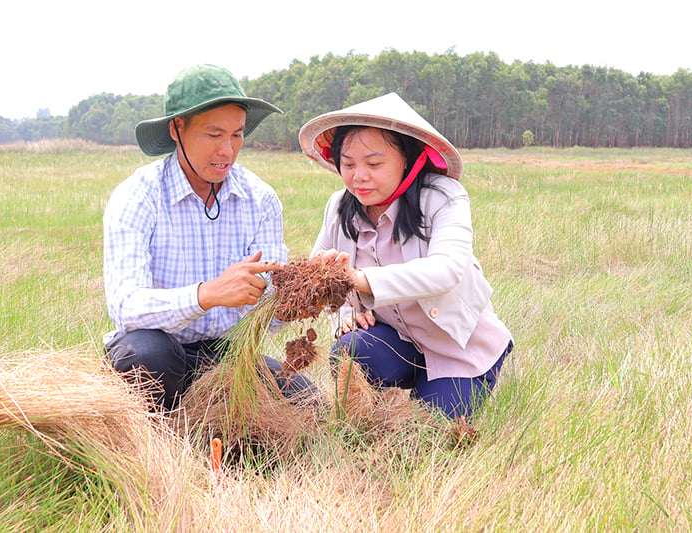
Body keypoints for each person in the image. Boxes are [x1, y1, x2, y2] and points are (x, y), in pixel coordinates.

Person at [103, 64, 312, 411]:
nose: (227, 151)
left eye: (237, 135)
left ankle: (212, 430)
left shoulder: (259, 199)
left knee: (305, 399)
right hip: (157, 347)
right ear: (177, 128)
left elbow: (269, 309)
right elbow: (126, 308)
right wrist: (206, 295)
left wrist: (302, 294)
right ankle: (156, 439)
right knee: (147, 356)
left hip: (225, 354)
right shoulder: (138, 196)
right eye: (214, 135)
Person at [298, 92, 513, 420]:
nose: (359, 176)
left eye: (374, 163)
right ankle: (369, 411)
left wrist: (362, 281)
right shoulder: (339, 206)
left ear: (407, 159)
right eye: (348, 164)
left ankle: (442, 388)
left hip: (458, 348)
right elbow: (322, 272)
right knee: (350, 351)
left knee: (426, 436)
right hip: (397, 341)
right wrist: (343, 314)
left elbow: (447, 269)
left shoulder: (443, 197)